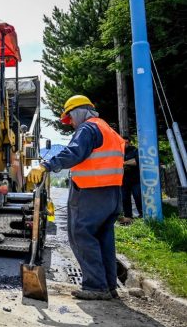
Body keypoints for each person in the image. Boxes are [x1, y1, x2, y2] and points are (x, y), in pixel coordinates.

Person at [28, 95, 124, 301]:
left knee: (81, 235)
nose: (70, 123)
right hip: (112, 194)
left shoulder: (88, 129)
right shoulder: (108, 130)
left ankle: (96, 286)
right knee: (104, 239)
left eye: (69, 117)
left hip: (91, 192)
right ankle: (109, 286)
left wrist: (46, 165)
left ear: (78, 111)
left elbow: (74, 152)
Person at [120, 136, 142, 224]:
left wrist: (123, 163)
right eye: (123, 142)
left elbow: (136, 161)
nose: (125, 144)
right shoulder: (119, 152)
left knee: (138, 197)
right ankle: (128, 217)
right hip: (123, 180)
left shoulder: (134, 150)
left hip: (135, 180)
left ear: (130, 142)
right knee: (125, 199)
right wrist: (128, 163)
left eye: (127, 142)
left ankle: (142, 214)